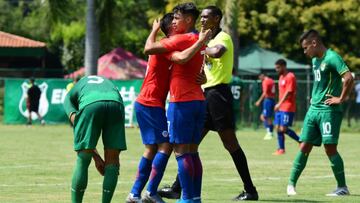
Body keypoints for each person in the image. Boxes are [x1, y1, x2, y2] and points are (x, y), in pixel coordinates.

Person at [158, 5, 259, 201]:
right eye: (201, 17)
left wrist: (201, 46)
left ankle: (250, 190)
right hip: (204, 96)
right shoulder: (203, 39)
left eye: (207, 17)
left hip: (218, 96)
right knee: (191, 143)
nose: (202, 20)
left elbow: (217, 52)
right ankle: (178, 187)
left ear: (217, 18)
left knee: (230, 143)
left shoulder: (222, 38)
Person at [126, 12, 210, 203]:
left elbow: (194, 61)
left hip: (151, 102)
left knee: (153, 148)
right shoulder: (166, 45)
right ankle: (150, 192)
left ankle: (136, 193)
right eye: (172, 21)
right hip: (150, 102)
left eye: (176, 18)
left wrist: (202, 75)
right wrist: (155, 31)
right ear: (171, 28)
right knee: (166, 145)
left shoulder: (172, 42)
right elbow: (180, 57)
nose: (175, 22)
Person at [287, 29, 354, 196]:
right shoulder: (315, 60)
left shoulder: (332, 57)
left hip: (328, 111)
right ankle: (291, 185)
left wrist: (341, 98)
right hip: (313, 110)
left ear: (314, 43)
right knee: (304, 146)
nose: (305, 51)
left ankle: (342, 187)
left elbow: (348, 78)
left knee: (330, 148)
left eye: (305, 48)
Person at [63, 75, 126, 203]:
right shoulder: (105, 82)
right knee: (112, 162)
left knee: (83, 158)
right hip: (116, 104)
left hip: (91, 105)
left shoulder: (70, 96)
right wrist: (101, 158)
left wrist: (92, 156)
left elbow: (85, 141)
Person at [273, 59, 300, 155]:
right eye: (276, 68)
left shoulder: (290, 76)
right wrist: (279, 105)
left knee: (283, 129)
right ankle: (281, 149)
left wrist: (279, 104)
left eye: (278, 67)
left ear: (284, 66)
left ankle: (301, 141)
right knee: (277, 128)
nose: (276, 70)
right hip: (280, 107)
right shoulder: (281, 77)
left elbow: (289, 93)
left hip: (288, 106)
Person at [255, 73, 276, 140]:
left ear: (262, 75)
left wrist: (259, 101)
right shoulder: (271, 80)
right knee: (267, 117)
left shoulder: (265, 81)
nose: (260, 79)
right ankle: (271, 132)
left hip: (268, 100)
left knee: (264, 117)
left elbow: (265, 92)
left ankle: (269, 132)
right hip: (272, 100)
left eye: (260, 77)